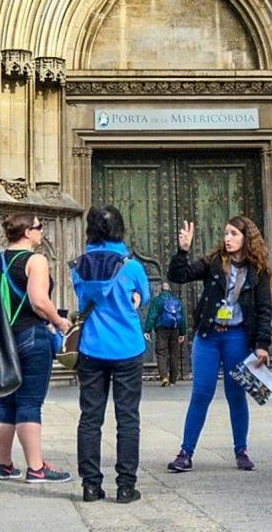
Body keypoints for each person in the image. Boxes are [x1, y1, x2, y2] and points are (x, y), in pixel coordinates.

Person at [166, 214, 272, 474]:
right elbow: (179, 275)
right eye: (226, 233)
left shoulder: (258, 271)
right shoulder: (213, 263)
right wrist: (183, 249)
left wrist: (262, 344)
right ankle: (186, 452)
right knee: (201, 393)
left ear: (247, 238)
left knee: (236, 394)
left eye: (234, 234)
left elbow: (264, 309)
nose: (228, 238)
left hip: (237, 337)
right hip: (208, 337)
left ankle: (241, 450)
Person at [73, 204, 152, 504]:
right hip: (127, 347)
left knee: (90, 418)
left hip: (92, 346)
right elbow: (142, 297)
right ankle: (125, 486)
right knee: (128, 417)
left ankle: (91, 486)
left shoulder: (80, 264)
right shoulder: (131, 265)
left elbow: (83, 300)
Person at [0, 212, 74, 482]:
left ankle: (4, 465)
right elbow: (39, 301)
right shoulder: (35, 260)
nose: (42, 232)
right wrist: (59, 320)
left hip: (3, 338)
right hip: (30, 334)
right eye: (39, 228)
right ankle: (36, 468)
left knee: (4, 399)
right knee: (29, 402)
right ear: (27, 232)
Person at [143, 282, 186, 386]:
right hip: (175, 329)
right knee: (174, 354)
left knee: (162, 353)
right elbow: (182, 317)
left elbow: (152, 315)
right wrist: (182, 332)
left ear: (160, 290)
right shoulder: (176, 301)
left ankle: (164, 377)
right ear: (169, 289)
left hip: (161, 329)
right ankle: (173, 380)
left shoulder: (158, 301)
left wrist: (147, 330)